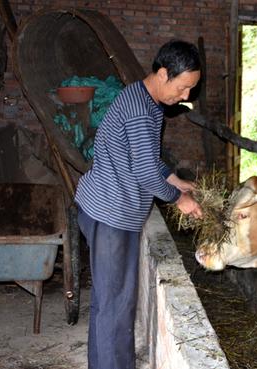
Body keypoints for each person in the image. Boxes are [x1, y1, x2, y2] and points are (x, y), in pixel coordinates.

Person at [74, 39, 204, 369]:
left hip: (108, 212)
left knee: (109, 302)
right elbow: (145, 174)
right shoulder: (141, 109)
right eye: (184, 87)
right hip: (111, 216)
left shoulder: (142, 100)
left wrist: (174, 179)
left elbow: (142, 158)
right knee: (116, 306)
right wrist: (180, 200)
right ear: (163, 73)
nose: (186, 96)